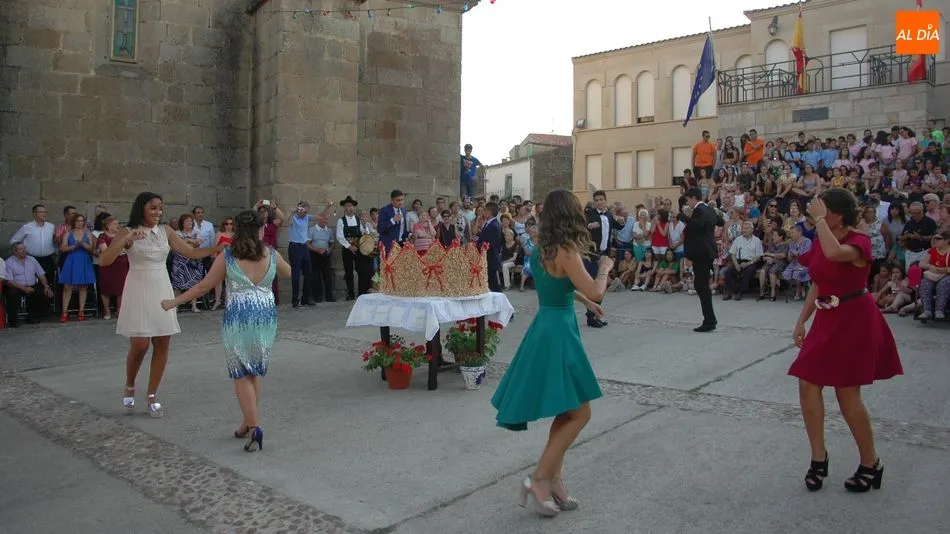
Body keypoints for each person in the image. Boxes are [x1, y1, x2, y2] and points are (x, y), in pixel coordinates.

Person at [491, 188, 610, 518]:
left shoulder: (542, 248)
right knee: (581, 412)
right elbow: (596, 290)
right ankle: (540, 478)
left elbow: (560, 286)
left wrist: (585, 304)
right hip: (559, 333)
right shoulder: (568, 250)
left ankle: (554, 479)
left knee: (568, 410)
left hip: (547, 324)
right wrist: (605, 268)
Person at [789, 188, 902, 493]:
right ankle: (818, 457)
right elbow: (818, 281)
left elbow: (835, 254)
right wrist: (802, 321)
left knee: (847, 396)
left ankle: (870, 462)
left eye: (822, 209)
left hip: (854, 318)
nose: (815, 213)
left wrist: (820, 222)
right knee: (807, 382)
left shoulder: (858, 240)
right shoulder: (820, 237)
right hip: (827, 315)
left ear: (836, 214)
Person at [162, 210, 291, 452]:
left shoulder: (229, 255)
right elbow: (288, 273)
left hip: (239, 315)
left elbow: (203, 287)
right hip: (265, 314)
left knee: (241, 372)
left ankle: (254, 429)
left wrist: (173, 302)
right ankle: (247, 421)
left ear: (235, 231)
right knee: (254, 368)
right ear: (260, 229)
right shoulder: (270, 253)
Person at [100, 192, 220, 418]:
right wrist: (125, 242)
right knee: (140, 344)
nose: (158, 212)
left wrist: (217, 249)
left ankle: (153, 394)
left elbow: (192, 252)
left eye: (160, 208)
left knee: (163, 341)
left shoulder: (166, 231)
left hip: (161, 286)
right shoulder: (127, 231)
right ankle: (129, 383)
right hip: (138, 286)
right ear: (141, 208)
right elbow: (105, 260)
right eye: (153, 208)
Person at [584, 190, 623, 328]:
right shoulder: (590, 213)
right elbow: (585, 224)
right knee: (594, 285)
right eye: (597, 200)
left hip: (604, 253)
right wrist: (590, 226)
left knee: (601, 284)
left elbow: (617, 226)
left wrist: (621, 221)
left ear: (605, 200)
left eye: (601, 199)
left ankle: (595, 315)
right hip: (592, 254)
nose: (599, 202)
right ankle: (591, 316)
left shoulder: (608, 215)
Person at [683, 187, 720, 332]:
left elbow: (696, 225)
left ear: (693, 198)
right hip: (707, 251)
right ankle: (710, 318)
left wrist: (684, 217)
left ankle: (709, 320)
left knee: (701, 285)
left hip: (701, 252)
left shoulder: (699, 210)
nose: (688, 203)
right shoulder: (709, 209)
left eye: (688, 200)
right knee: (701, 284)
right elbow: (720, 221)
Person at [58, 213, 96, 322]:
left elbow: (91, 248)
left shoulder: (87, 234)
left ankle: (81, 311)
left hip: (84, 259)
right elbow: (63, 248)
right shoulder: (68, 233)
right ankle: (64, 312)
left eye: (82, 221)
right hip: (71, 259)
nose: (80, 223)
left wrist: (83, 244)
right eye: (78, 221)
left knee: (83, 286)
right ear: (74, 222)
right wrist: (74, 246)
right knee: (67, 287)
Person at [477, 202, 503, 292]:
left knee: (493, 285)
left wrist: (477, 245)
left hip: (490, 258)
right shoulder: (489, 224)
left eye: (484, 210)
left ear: (489, 212)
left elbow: (490, 244)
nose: (483, 213)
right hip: (487, 258)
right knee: (490, 283)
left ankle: (500, 303)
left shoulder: (493, 225)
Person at [377, 190, 408, 254]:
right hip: (388, 245)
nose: (400, 202)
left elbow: (402, 228)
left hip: (401, 243)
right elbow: (380, 229)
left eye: (402, 200)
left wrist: (409, 235)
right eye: (398, 200)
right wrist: (392, 220)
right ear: (392, 200)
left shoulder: (403, 210)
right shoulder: (384, 210)